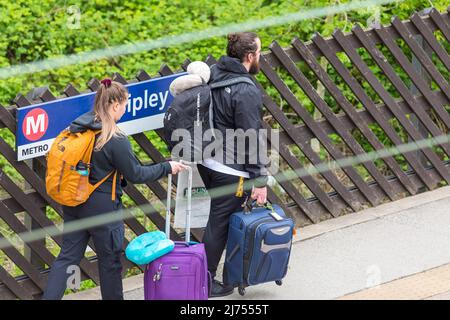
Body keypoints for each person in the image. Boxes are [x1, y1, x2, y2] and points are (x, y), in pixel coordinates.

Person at [42, 79, 187, 300]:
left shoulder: (79, 127)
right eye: (125, 104)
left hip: (74, 201)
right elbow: (136, 174)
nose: (125, 109)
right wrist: (167, 167)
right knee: (109, 263)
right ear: (115, 104)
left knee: (67, 258)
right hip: (103, 210)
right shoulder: (114, 138)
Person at [197, 32, 269, 297]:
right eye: (259, 52)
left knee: (221, 219)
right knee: (220, 222)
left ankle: (224, 273)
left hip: (207, 161)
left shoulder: (215, 73)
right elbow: (251, 137)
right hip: (229, 167)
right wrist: (259, 180)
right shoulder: (245, 89)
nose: (261, 56)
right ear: (250, 57)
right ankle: (203, 281)